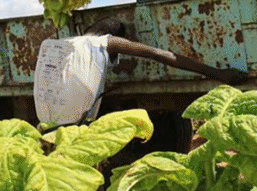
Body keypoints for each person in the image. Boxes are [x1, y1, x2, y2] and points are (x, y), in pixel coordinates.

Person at [33, 18, 245, 127]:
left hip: (45, 114)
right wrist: (216, 73)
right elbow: (159, 54)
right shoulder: (106, 41)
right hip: (76, 119)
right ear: (111, 35)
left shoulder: (60, 44)